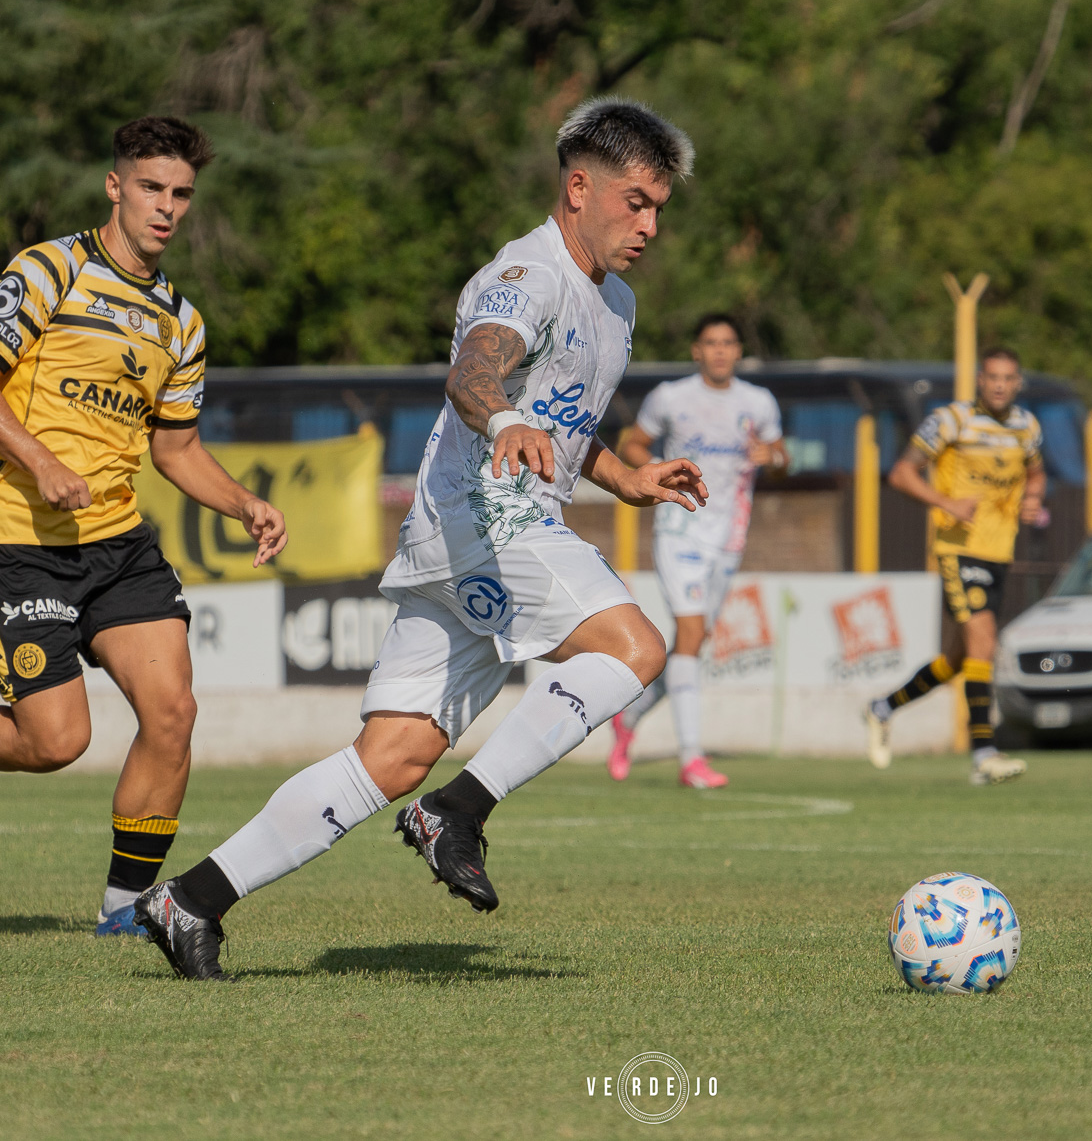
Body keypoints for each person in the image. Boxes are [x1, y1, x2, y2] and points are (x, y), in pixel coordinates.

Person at [134, 97, 705, 981]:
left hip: (479, 533)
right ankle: (461, 811)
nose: (651, 224)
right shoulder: (530, 271)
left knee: (390, 760)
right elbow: (475, 369)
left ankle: (191, 901)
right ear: (579, 186)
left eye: (660, 206)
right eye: (636, 201)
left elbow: (558, 416)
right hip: (486, 518)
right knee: (636, 646)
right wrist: (506, 413)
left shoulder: (616, 303)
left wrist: (623, 476)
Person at [0, 116, 287, 939]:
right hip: (13, 534)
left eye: (181, 195)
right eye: (152, 188)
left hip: (117, 544)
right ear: (115, 185)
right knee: (56, 740)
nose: (166, 208)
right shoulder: (50, 270)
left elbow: (178, 449)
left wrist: (242, 502)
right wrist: (39, 461)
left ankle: (126, 906)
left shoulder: (181, 322)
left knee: (173, 713)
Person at [607, 313, 785, 788]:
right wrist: (662, 467)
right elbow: (633, 444)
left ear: (739, 351)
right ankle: (692, 760)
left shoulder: (759, 402)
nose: (720, 351)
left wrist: (776, 458)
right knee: (688, 633)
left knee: (691, 644)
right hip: (680, 528)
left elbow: (781, 457)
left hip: (729, 538)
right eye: (711, 342)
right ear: (696, 350)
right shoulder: (672, 396)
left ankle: (629, 718)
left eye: (729, 342)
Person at [862, 347, 1045, 786]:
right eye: (992, 377)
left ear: (1017, 383)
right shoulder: (950, 421)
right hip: (957, 549)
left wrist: (1034, 498)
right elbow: (902, 473)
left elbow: (1036, 472)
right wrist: (945, 503)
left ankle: (883, 707)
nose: (1000, 385)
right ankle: (984, 753)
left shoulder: (1027, 426)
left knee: (961, 658)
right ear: (980, 380)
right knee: (983, 640)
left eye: (1008, 378)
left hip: (999, 551)